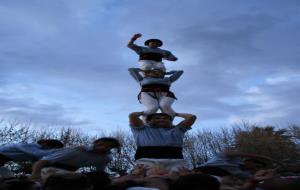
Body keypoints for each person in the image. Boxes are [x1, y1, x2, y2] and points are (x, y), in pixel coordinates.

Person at [129, 112, 196, 176]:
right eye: (157, 118)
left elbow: (192, 117)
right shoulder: (141, 129)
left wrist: (175, 114)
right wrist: (144, 112)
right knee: (151, 181)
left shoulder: (177, 129)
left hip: (176, 163)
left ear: (171, 122)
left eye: (166, 118)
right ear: (148, 121)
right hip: (147, 163)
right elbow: (132, 116)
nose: (162, 119)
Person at [30, 137, 121, 180]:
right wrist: (35, 176)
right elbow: (42, 161)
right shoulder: (77, 150)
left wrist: (112, 179)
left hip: (71, 170)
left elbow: (100, 172)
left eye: (108, 146)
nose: (103, 147)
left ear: (111, 149)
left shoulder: (106, 158)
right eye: (101, 144)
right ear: (96, 143)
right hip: (48, 165)